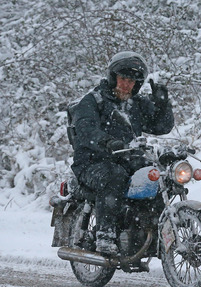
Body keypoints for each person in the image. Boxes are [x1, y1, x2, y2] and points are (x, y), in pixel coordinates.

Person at [70, 51, 174, 255]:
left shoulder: (136, 103)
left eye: (133, 81)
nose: (127, 84)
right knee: (114, 176)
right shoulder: (93, 100)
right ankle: (105, 236)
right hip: (92, 162)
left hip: (127, 158)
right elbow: (85, 129)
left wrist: (163, 105)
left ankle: (152, 232)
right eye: (124, 78)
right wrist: (107, 142)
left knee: (157, 177)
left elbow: (161, 127)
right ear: (113, 77)